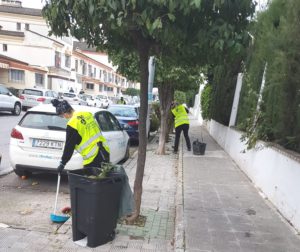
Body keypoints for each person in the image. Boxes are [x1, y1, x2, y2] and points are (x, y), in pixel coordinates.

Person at [51, 99, 110, 173]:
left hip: (92, 158)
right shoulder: (87, 114)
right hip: (104, 151)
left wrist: (63, 163)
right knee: (104, 179)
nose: (64, 117)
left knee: (92, 182)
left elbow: (69, 146)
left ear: (64, 113)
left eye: (62, 116)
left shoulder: (72, 124)